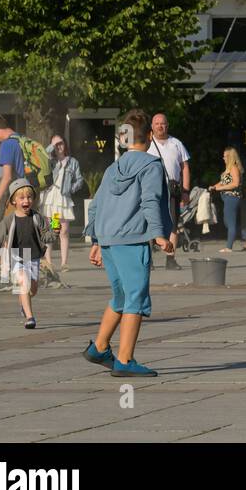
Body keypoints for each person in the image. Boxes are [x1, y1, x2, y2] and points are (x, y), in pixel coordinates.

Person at [84, 109, 174, 377]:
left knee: (120, 297)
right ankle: (125, 360)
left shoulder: (113, 168)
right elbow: (149, 201)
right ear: (149, 135)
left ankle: (99, 347)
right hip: (132, 239)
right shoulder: (151, 165)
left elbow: (98, 204)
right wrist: (159, 235)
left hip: (109, 239)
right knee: (136, 297)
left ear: (125, 137)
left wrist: (96, 240)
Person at [0, 179, 47, 329]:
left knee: (32, 289)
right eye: (22, 198)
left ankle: (23, 302)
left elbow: (47, 236)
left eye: (29, 197)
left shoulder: (37, 217)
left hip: (33, 256)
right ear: (14, 201)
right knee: (23, 283)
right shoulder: (9, 220)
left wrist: (55, 231)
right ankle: (30, 318)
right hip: (17, 256)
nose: (26, 200)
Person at [148, 113, 190, 271]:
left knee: (173, 223)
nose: (160, 126)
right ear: (152, 126)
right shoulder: (147, 144)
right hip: (152, 188)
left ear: (167, 125)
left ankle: (170, 259)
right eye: (157, 123)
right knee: (150, 222)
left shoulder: (176, 143)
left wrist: (185, 191)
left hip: (172, 188)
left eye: (163, 123)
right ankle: (148, 260)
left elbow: (185, 167)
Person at [44, 135, 84, 275]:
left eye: (61, 143)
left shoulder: (73, 162)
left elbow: (79, 180)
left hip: (63, 200)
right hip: (52, 199)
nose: (59, 146)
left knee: (64, 231)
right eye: (56, 144)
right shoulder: (51, 161)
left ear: (65, 145)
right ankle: (48, 262)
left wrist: (70, 189)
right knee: (52, 231)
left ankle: (64, 263)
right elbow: (43, 155)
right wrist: (52, 145)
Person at [0, 115, 27, 224]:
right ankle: (54, 237)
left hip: (18, 194)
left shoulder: (7, 144)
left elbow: (7, 177)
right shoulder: (22, 139)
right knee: (58, 230)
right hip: (31, 192)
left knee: (6, 232)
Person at [213, 147, 245, 254]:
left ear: (231, 157)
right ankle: (245, 235)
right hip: (226, 198)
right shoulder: (228, 169)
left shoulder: (234, 168)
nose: (223, 158)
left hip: (232, 197)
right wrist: (214, 187)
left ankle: (229, 247)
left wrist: (220, 188)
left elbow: (235, 183)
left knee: (230, 223)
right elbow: (223, 182)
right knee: (227, 221)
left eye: (225, 156)